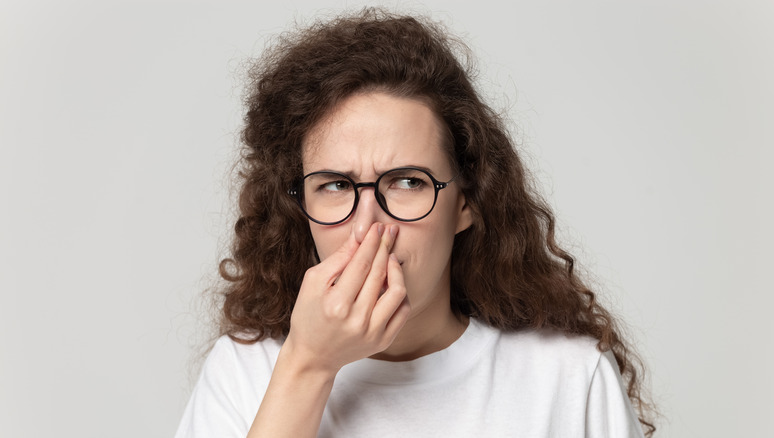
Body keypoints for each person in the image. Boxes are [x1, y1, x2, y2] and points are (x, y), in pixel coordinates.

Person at [175, 8, 656, 438]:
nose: (368, 226)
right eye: (337, 185)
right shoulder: (245, 372)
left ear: (465, 200)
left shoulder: (567, 378)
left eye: (407, 182)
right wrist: (309, 366)